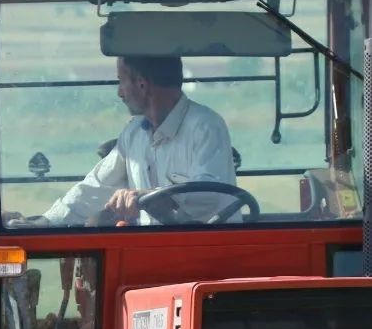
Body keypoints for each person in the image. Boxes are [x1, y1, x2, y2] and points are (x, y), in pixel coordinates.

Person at [36, 55, 237, 226]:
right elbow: (94, 188)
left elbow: (209, 193)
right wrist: (45, 223)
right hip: (152, 250)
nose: (119, 92)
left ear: (142, 85)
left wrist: (151, 196)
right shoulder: (133, 133)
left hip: (209, 249)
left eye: (121, 81)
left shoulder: (205, 126)